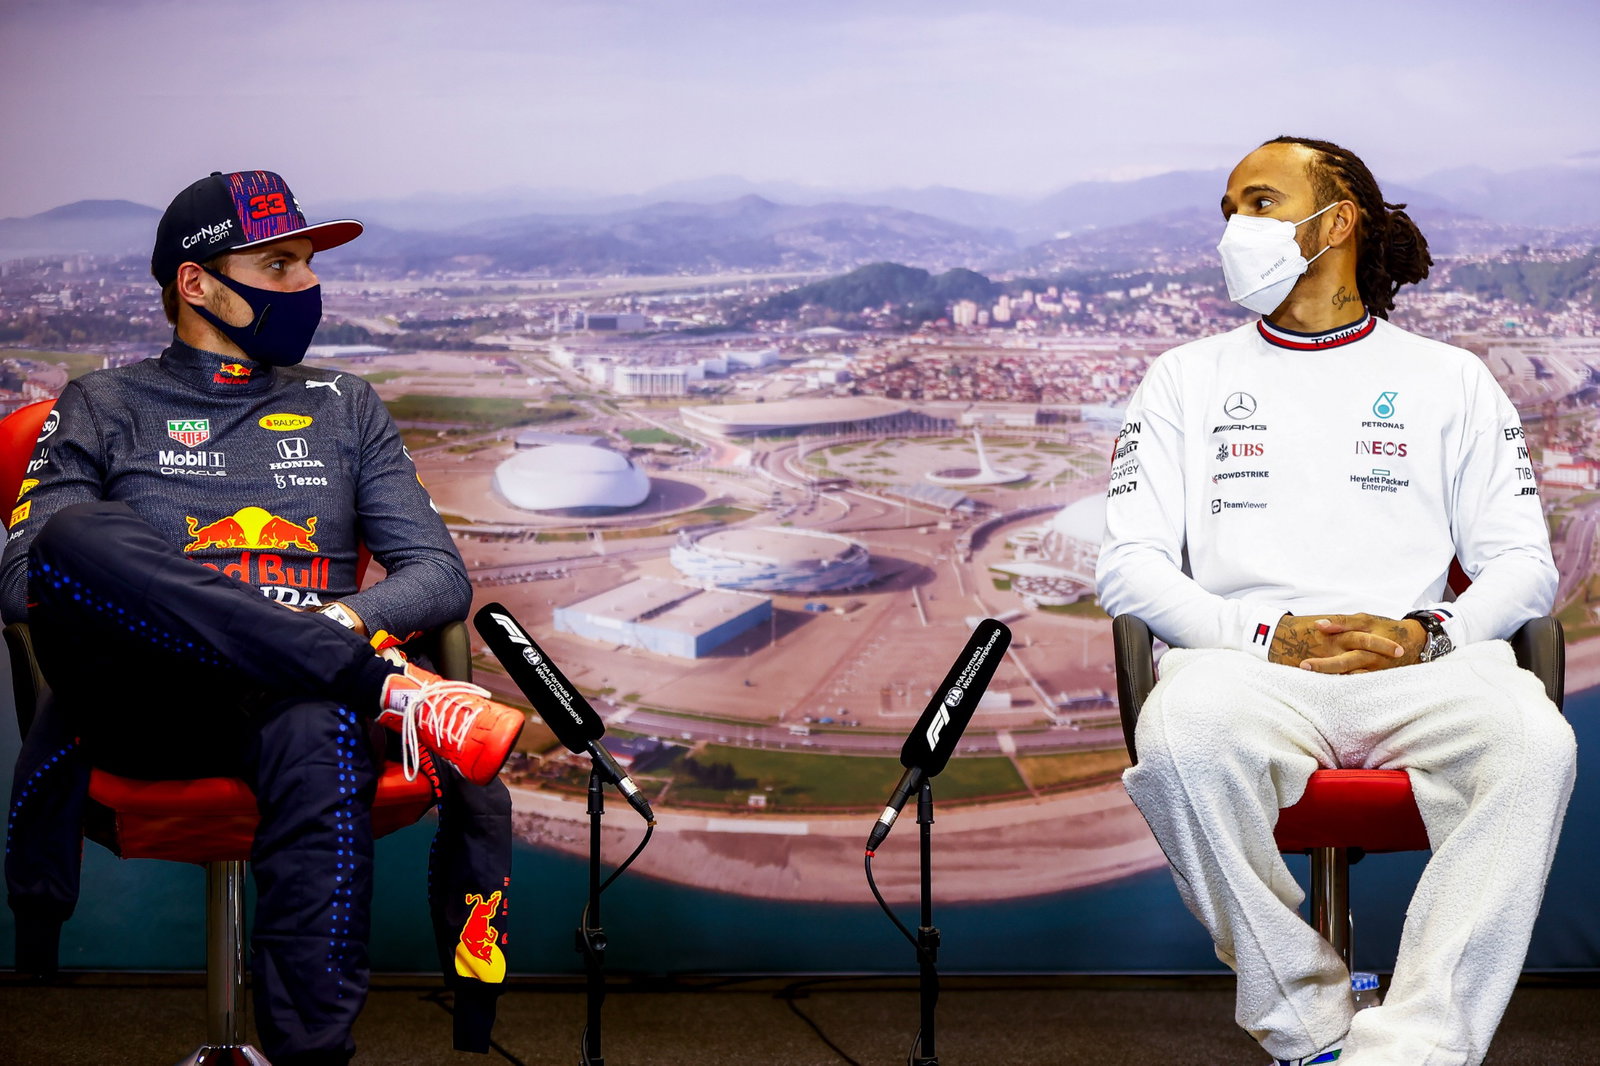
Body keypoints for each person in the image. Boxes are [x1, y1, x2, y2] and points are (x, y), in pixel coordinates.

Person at [3, 170, 527, 1065]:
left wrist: (331, 629)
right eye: (279, 266)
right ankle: (381, 688)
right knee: (71, 535)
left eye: (309, 265)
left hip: (301, 696)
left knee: (320, 720)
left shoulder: (346, 404)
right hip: (150, 696)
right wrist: (341, 656)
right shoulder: (101, 402)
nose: (308, 285)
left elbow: (438, 576)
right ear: (196, 283)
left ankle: (310, 1056)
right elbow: (25, 578)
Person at [1095, 137, 1576, 1066]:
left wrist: (1428, 632)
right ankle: (1307, 1025)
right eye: (1228, 210)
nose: (1235, 229)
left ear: (1338, 222)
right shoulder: (1183, 379)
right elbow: (1130, 568)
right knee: (1180, 738)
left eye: (1260, 203)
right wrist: (1262, 634)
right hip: (1246, 667)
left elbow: (1523, 565)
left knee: (1536, 744)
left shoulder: (1452, 378)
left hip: (1420, 663)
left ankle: (1416, 1047)